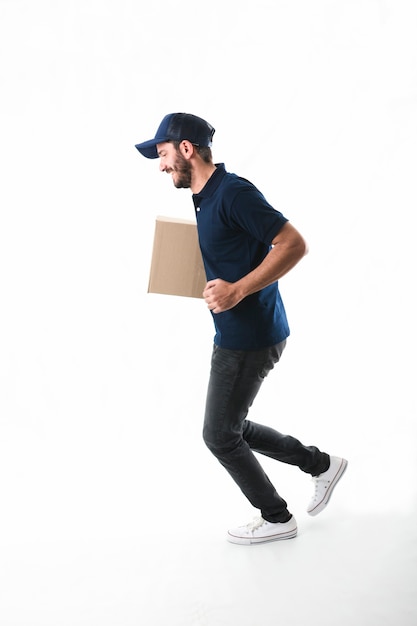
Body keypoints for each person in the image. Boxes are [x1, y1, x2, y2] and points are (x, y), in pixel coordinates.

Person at [135, 113, 348, 545]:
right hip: (239, 331)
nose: (160, 165)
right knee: (229, 426)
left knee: (218, 435)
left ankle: (276, 517)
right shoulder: (204, 197)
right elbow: (235, 251)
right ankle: (320, 464)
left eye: (162, 154)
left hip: (249, 335)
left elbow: (293, 244)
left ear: (186, 148)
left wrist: (237, 291)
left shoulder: (232, 192)